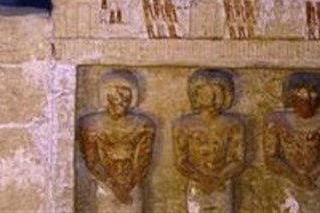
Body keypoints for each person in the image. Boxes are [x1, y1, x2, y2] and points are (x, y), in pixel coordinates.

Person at [264, 73, 320, 213]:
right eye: (301, 94)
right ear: (291, 96)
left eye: (312, 94)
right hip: (287, 180)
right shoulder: (276, 120)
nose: (307, 100)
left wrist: (311, 176)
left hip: (315, 181)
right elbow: (271, 157)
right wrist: (293, 176)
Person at [78, 70, 155, 213]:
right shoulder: (91, 124)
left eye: (125, 93)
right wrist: (114, 187)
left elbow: (143, 160)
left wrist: (128, 186)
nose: (120, 99)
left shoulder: (143, 124)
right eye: (115, 93)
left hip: (131, 184)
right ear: (104, 95)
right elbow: (92, 161)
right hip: (104, 184)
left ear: (133, 95)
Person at [173, 69, 246, 213]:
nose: (212, 100)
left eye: (217, 94)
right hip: (197, 182)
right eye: (206, 95)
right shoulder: (184, 124)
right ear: (196, 95)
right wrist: (202, 178)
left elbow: (238, 160)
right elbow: (181, 161)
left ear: (226, 95)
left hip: (223, 182)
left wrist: (219, 178)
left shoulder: (233, 124)